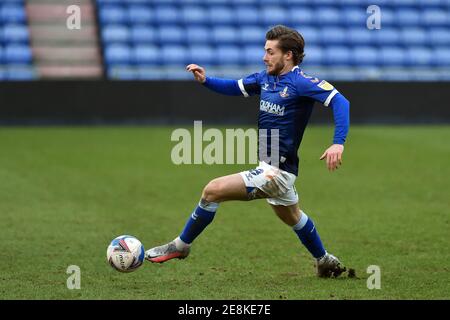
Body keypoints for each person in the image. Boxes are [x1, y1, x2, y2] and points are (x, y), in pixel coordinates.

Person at [145, 25, 350, 278]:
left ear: (288, 55)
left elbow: (341, 101)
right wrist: (206, 80)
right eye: (265, 51)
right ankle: (324, 260)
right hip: (271, 165)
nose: (265, 57)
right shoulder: (265, 79)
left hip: (278, 171)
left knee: (212, 191)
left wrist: (338, 142)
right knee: (293, 216)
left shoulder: (302, 83)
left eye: (270, 52)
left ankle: (181, 246)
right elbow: (234, 86)